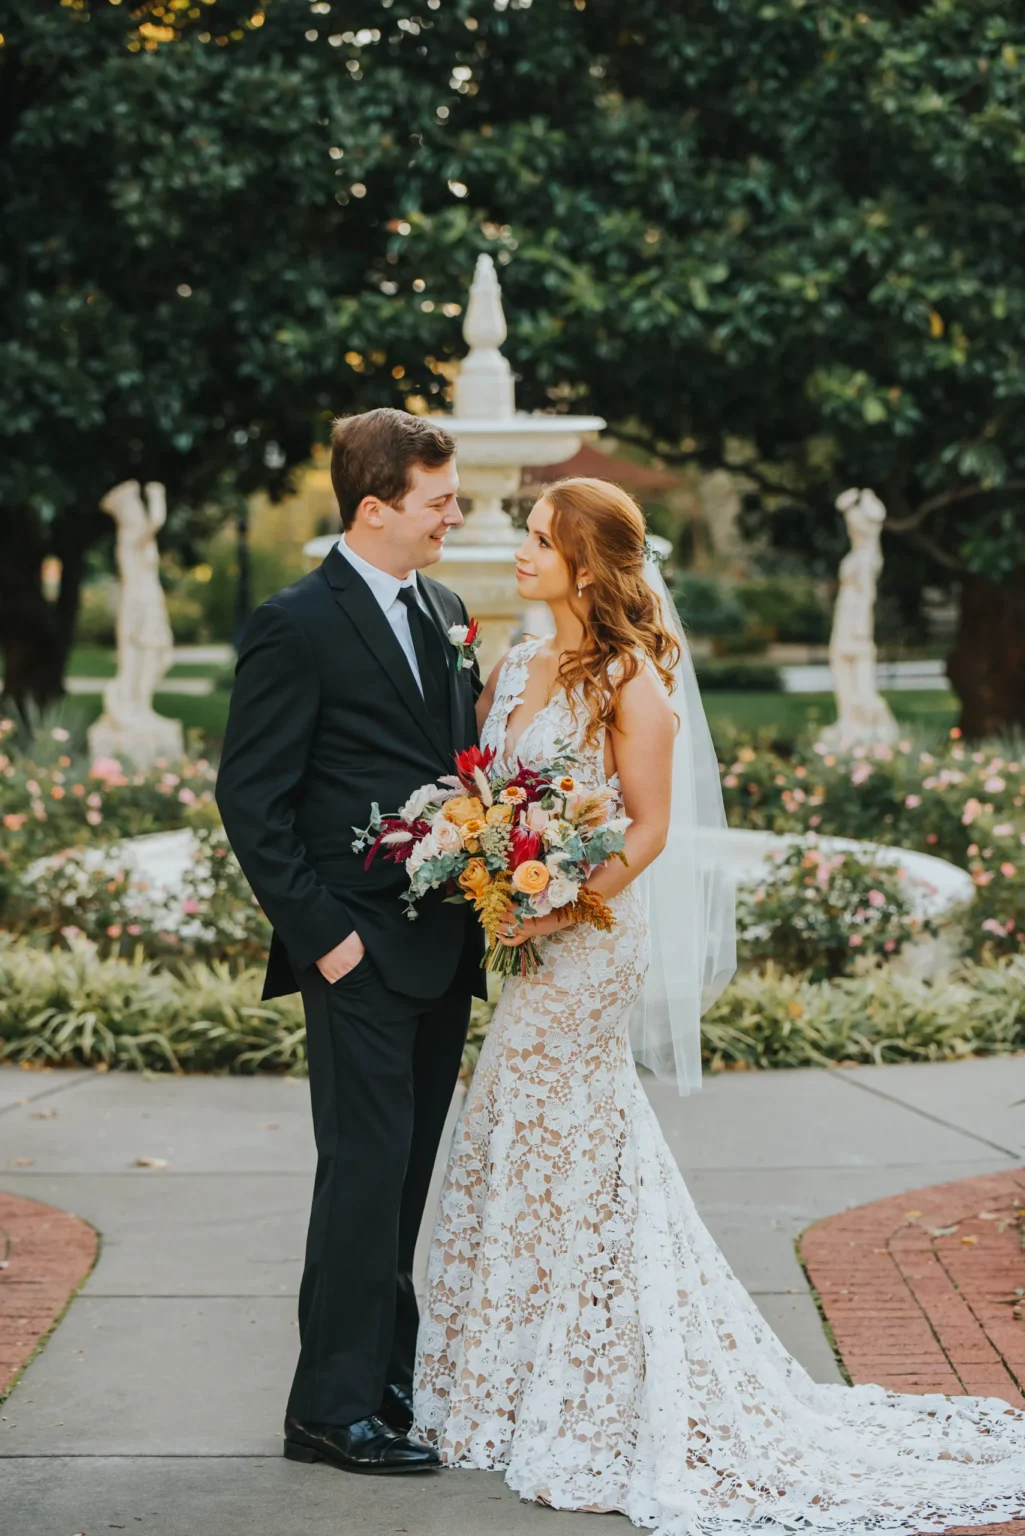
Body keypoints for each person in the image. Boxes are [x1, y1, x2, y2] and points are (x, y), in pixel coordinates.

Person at [413, 476, 1025, 1531]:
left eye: (538, 540)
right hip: (531, 933)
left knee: (564, 1132)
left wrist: (557, 905)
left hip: (590, 944)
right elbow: (493, 789)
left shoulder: (629, 679)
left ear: (587, 565)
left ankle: (598, 1381)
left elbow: (644, 831)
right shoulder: (513, 661)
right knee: (519, 1133)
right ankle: (518, 1376)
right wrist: (492, 859)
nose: (518, 550)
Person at [215, 408, 485, 1475]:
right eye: (438, 501)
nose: (455, 516)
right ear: (375, 509)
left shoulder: (449, 608)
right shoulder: (296, 622)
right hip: (357, 954)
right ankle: (327, 1409)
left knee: (406, 1177)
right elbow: (252, 798)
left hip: (445, 948)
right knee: (362, 1175)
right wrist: (326, 941)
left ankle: (382, 1380)